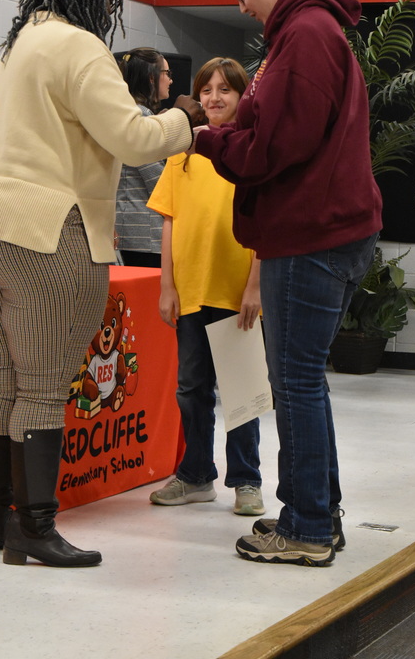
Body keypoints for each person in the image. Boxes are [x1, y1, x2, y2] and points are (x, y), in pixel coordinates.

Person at [0, 0, 203, 569]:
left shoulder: (22, 41)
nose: (112, 5)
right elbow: (133, 137)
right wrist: (185, 120)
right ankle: (33, 527)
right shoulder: (79, 46)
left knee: (3, 374)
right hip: (43, 230)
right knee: (44, 380)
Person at [189, 0, 382, 566]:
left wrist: (205, 140)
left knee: (295, 383)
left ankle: (305, 528)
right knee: (304, 384)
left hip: (311, 236)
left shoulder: (304, 35)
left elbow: (275, 147)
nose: (239, 7)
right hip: (322, 231)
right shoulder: (307, 32)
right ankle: (317, 513)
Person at [147, 57, 265, 517]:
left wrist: (254, 285)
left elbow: (263, 224)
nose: (214, 98)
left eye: (225, 90)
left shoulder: (252, 151)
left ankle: (246, 481)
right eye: (207, 90)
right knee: (191, 387)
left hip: (236, 291)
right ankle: (196, 476)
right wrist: (166, 285)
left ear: (242, 97)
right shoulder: (182, 153)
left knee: (242, 390)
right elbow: (170, 222)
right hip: (191, 290)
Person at [115, 48, 173, 267]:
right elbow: (159, 183)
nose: (170, 79)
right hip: (145, 234)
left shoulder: (127, 112)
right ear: (151, 77)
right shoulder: (141, 116)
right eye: (167, 73)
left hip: (129, 230)